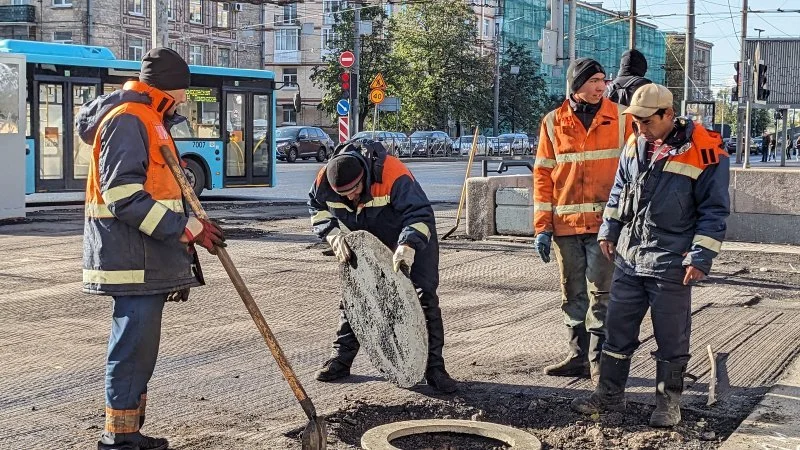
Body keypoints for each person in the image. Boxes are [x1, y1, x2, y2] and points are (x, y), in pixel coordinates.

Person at [77, 48, 226, 450]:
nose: (184, 100)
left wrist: (194, 230)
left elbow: (163, 192)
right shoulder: (130, 119)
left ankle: (129, 432)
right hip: (132, 260)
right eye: (183, 91)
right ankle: (119, 439)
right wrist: (185, 228)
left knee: (140, 352)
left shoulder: (151, 118)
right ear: (172, 87)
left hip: (146, 258)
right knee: (132, 350)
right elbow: (123, 196)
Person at [570, 83, 730, 427]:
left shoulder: (705, 151)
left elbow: (714, 211)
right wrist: (609, 229)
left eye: (646, 121)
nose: (640, 128)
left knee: (672, 336)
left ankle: (668, 404)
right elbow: (619, 190)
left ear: (668, 115)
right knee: (616, 331)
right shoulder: (636, 143)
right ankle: (609, 396)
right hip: (630, 256)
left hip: (671, 261)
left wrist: (700, 256)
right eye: (636, 121)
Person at [308, 139, 457, 394]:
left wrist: (408, 246)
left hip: (411, 238)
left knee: (423, 298)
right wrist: (331, 234)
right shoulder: (325, 180)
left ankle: (435, 369)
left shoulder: (392, 174)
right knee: (356, 296)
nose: (351, 198)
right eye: (343, 196)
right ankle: (341, 360)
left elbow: (420, 215)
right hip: (368, 240)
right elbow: (316, 207)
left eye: (354, 191)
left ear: (364, 177)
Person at [533, 58, 633, 384]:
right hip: (565, 226)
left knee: (601, 293)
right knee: (571, 292)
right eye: (594, 81)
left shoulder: (620, 119)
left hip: (605, 226)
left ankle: (599, 364)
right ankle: (577, 356)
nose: (601, 87)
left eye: (603, 80)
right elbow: (543, 178)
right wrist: (542, 228)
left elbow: (635, 169)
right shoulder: (552, 123)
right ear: (576, 84)